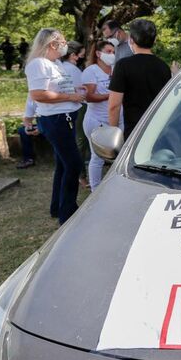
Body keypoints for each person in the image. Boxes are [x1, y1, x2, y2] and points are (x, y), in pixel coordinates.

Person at [24, 28, 86, 225]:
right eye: (63, 41)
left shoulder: (55, 63)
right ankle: (67, 212)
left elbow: (56, 88)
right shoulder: (38, 64)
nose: (65, 45)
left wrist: (74, 91)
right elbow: (38, 94)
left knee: (63, 164)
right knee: (74, 164)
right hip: (56, 119)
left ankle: (57, 206)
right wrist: (71, 96)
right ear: (52, 44)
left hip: (65, 116)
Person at [108, 19, 171, 138]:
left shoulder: (123, 65)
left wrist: (113, 134)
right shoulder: (163, 66)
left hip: (135, 132)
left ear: (131, 39)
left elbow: (114, 106)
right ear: (154, 40)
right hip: (159, 130)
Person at [82, 40, 121, 189]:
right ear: (99, 54)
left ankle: (116, 186)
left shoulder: (116, 69)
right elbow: (89, 96)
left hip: (116, 119)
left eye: (113, 52)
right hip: (96, 120)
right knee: (97, 157)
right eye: (108, 52)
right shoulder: (91, 71)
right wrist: (111, 96)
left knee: (119, 155)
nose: (112, 55)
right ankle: (95, 189)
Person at [60, 41, 89, 187]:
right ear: (73, 55)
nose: (81, 58)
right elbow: (81, 91)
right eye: (81, 55)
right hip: (79, 107)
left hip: (69, 108)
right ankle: (81, 175)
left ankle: (80, 173)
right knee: (81, 141)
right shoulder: (72, 70)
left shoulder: (61, 68)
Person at [16, 95, 44, 169]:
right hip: (41, 124)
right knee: (22, 131)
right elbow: (28, 116)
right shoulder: (32, 95)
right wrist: (28, 127)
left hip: (54, 124)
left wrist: (42, 128)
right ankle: (28, 159)